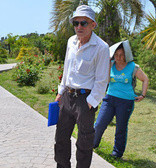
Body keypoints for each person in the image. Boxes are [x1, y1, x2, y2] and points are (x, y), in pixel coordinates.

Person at [54, 5, 110, 168]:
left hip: (85, 99)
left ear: (93, 24)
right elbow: (67, 69)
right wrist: (61, 91)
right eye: (76, 23)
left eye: (83, 23)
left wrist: (91, 102)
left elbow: (102, 80)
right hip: (67, 97)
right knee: (61, 138)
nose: (79, 27)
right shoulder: (71, 41)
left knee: (84, 142)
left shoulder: (101, 47)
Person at [93, 40, 149, 158]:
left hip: (126, 102)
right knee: (99, 124)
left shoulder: (133, 67)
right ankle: (93, 144)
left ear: (126, 55)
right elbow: (107, 81)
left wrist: (143, 95)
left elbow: (145, 79)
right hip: (109, 99)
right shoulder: (111, 64)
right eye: (116, 55)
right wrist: (108, 64)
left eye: (122, 55)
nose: (118, 57)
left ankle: (117, 153)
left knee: (121, 128)